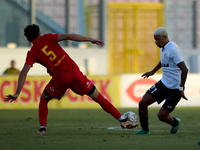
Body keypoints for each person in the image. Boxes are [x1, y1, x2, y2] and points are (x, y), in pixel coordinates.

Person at [4, 24, 136, 135]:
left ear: (28, 40)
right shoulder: (49, 37)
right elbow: (70, 36)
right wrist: (90, 39)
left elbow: (24, 72)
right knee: (97, 96)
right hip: (74, 73)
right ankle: (122, 119)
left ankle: (42, 129)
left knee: (44, 98)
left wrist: (17, 92)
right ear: (39, 33)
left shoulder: (32, 53)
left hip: (59, 79)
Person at [134, 27, 188, 135]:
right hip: (163, 84)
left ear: (165, 37)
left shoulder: (173, 49)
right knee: (142, 103)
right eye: (155, 39)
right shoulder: (163, 48)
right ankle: (145, 130)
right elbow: (163, 59)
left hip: (175, 89)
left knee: (161, 116)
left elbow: (184, 69)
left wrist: (181, 88)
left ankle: (175, 123)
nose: (155, 42)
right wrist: (153, 71)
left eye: (157, 39)